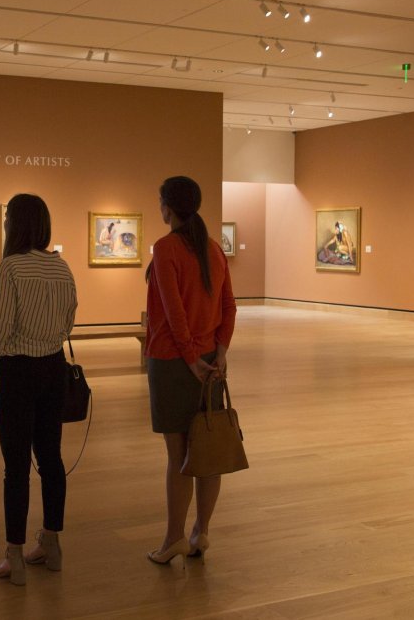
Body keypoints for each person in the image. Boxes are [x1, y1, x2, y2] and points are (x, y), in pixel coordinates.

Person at [0, 193, 77, 586]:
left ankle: (14, 556)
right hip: (53, 369)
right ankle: (51, 545)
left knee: (16, 467)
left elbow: (1, 331)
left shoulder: (10, 268)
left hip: (17, 373)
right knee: (51, 459)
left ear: (14, 226)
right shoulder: (62, 266)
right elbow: (69, 322)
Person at [145, 176, 235, 566]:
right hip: (210, 364)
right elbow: (230, 307)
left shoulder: (165, 249)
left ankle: (173, 539)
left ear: (167, 207)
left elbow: (172, 311)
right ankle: (202, 533)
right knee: (208, 452)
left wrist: (188, 356)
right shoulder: (214, 250)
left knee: (179, 454)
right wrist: (221, 351)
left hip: (173, 362)